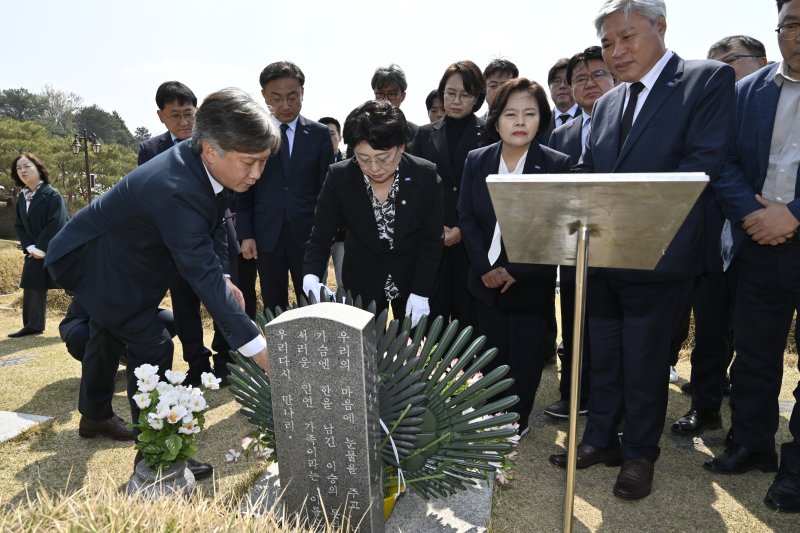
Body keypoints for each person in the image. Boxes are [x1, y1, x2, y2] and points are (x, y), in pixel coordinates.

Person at [548, 0, 735, 501]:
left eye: (626, 37)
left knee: (645, 360)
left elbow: (702, 165)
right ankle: (600, 439)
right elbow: (590, 170)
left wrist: (626, 214)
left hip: (661, 253)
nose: (617, 51)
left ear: (661, 27)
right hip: (603, 254)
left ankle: (638, 455)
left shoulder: (705, 80)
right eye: (608, 43)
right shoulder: (608, 102)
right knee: (604, 355)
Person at [45, 88, 277, 480]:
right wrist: (259, 351)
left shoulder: (208, 165)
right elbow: (199, 272)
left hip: (126, 258)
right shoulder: (177, 186)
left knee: (108, 329)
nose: (256, 173)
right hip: (93, 261)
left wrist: (223, 275)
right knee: (153, 344)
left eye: (263, 162)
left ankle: (94, 414)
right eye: (249, 162)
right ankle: (155, 457)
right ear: (210, 150)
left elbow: (214, 223)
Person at [704, 0, 800, 513]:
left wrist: (794, 215)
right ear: (778, 30)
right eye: (791, 24)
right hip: (757, 240)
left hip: (790, 227)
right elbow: (722, 162)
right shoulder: (746, 91)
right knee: (755, 354)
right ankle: (752, 443)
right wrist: (752, 215)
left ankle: (797, 470)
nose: (798, 34)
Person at [459, 78, 569, 437]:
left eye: (529, 113)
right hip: (484, 278)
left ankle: (515, 420)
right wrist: (485, 267)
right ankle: (490, 414)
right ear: (496, 121)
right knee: (489, 351)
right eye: (510, 114)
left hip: (530, 279)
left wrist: (516, 270)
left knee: (525, 355)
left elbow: (554, 225)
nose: (520, 121)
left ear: (541, 120)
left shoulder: (555, 164)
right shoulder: (477, 159)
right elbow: (467, 217)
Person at [303, 100, 443, 323]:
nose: (375, 168)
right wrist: (310, 276)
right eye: (364, 159)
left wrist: (421, 291)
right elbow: (321, 234)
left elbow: (432, 239)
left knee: (417, 341)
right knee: (366, 342)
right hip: (362, 279)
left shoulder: (424, 175)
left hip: (413, 278)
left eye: (384, 158)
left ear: (402, 146)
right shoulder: (339, 177)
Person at [138, 81, 233, 386]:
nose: (183, 122)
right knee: (184, 306)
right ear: (160, 116)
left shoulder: (212, 146)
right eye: (175, 115)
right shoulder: (150, 150)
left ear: (198, 112)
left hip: (213, 234)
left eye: (189, 114)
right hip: (173, 244)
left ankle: (225, 361)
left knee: (221, 299)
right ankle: (197, 364)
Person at [545, 45, 616, 420]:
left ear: (615, 76)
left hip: (619, 243)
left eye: (598, 74)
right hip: (573, 244)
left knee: (611, 329)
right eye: (580, 78)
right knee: (574, 323)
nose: (590, 83)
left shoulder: (631, 121)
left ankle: (612, 406)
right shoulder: (562, 134)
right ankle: (574, 394)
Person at [235, 61, 333, 314]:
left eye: (292, 97)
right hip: (266, 235)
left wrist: (324, 234)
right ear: (264, 96)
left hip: (308, 236)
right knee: (273, 304)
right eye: (276, 98)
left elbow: (327, 190)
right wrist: (246, 234)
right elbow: (243, 189)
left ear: (303, 93)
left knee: (313, 304)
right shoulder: (252, 135)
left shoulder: (319, 134)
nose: (286, 105)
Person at [411, 60, 488, 331]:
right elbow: (416, 188)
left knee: (471, 320)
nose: (456, 101)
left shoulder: (489, 134)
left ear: (477, 97)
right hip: (434, 242)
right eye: (450, 93)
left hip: (473, 243)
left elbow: (488, 191)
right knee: (433, 321)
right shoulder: (423, 134)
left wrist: (463, 229)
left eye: (465, 95)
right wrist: (436, 228)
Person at [8, 153, 68, 338]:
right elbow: (19, 225)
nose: (23, 171)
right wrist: (30, 247)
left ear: (39, 170)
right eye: (19, 168)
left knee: (74, 285)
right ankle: (32, 325)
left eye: (27, 166)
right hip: (34, 251)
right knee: (32, 282)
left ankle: (91, 319)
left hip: (59, 249)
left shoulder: (52, 194)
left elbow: (56, 223)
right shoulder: (22, 197)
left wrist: (42, 248)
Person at [60, 296, 175, 362]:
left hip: (133, 313)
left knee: (170, 320)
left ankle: (128, 355)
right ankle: (99, 361)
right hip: (89, 317)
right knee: (80, 336)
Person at [318, 116, 347, 291]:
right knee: (317, 283)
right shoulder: (309, 165)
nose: (327, 139)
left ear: (340, 136)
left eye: (331, 134)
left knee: (345, 282)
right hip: (317, 232)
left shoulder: (350, 164)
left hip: (343, 234)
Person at [371, 64, 419, 142]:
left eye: (391, 94)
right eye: (380, 93)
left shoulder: (416, 134)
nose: (385, 100)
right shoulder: (362, 130)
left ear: (403, 96)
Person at [541, 58, 581, 141]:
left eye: (567, 81)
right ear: (549, 87)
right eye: (557, 81)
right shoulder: (540, 123)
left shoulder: (590, 118)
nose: (562, 86)